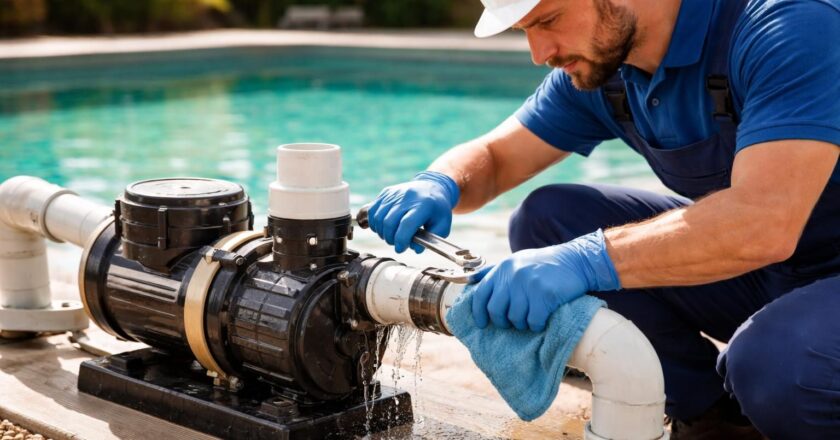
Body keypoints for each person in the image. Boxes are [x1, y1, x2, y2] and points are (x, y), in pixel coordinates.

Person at [365, 0, 839, 438]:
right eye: (524, 30)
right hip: (779, 273)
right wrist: (439, 180)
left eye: (548, 20)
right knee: (548, 220)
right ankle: (714, 419)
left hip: (798, 266)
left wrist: (585, 260)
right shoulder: (609, 65)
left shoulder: (788, 26)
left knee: (778, 367)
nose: (538, 52)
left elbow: (763, 222)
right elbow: (495, 157)